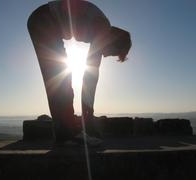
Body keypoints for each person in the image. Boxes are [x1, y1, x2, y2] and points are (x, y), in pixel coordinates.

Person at [27, 0, 131, 146]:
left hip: (43, 20)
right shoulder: (102, 27)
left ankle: (64, 134)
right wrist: (88, 118)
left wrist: (87, 114)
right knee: (59, 79)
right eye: (113, 52)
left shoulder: (101, 28)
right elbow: (90, 78)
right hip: (44, 20)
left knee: (57, 79)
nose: (107, 56)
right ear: (114, 41)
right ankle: (69, 135)